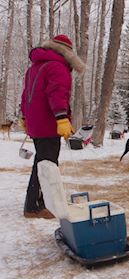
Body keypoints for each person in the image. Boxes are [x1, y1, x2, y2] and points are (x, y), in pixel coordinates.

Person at [21, 34, 85, 219]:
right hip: (49, 123)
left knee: (41, 163)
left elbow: (26, 96)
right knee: (47, 165)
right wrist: (62, 118)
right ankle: (34, 206)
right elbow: (58, 94)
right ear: (66, 52)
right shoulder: (57, 66)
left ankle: (37, 202)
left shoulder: (34, 67)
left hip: (36, 123)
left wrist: (24, 116)